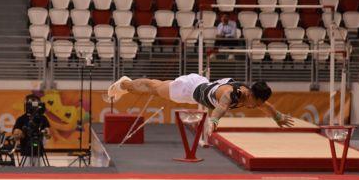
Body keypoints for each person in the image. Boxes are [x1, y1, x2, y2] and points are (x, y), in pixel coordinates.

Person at [106, 75, 294, 135]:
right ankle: (124, 84)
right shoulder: (232, 95)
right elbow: (221, 107)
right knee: (153, 87)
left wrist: (278, 117)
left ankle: (126, 84)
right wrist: (213, 122)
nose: (256, 107)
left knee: (157, 85)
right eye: (257, 103)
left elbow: (266, 106)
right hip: (188, 89)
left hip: (200, 86)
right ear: (251, 94)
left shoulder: (253, 97)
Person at [12, 94, 51, 166]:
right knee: (25, 174)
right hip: (26, 152)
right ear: (26, 105)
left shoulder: (43, 118)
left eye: (35, 103)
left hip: (39, 152)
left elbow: (48, 135)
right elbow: (15, 135)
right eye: (30, 103)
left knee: (39, 174)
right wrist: (20, 133)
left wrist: (45, 132)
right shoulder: (21, 119)